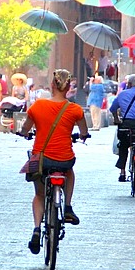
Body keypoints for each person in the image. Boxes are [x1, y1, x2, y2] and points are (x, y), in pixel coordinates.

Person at [18, 69, 89, 255]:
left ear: (52, 85)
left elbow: (25, 129)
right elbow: (84, 132)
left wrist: (24, 134)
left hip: (42, 159)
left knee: (39, 195)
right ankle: (67, 207)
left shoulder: (37, 106)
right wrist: (82, 135)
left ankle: (35, 229)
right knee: (70, 171)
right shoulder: (75, 110)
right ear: (68, 88)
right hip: (64, 160)